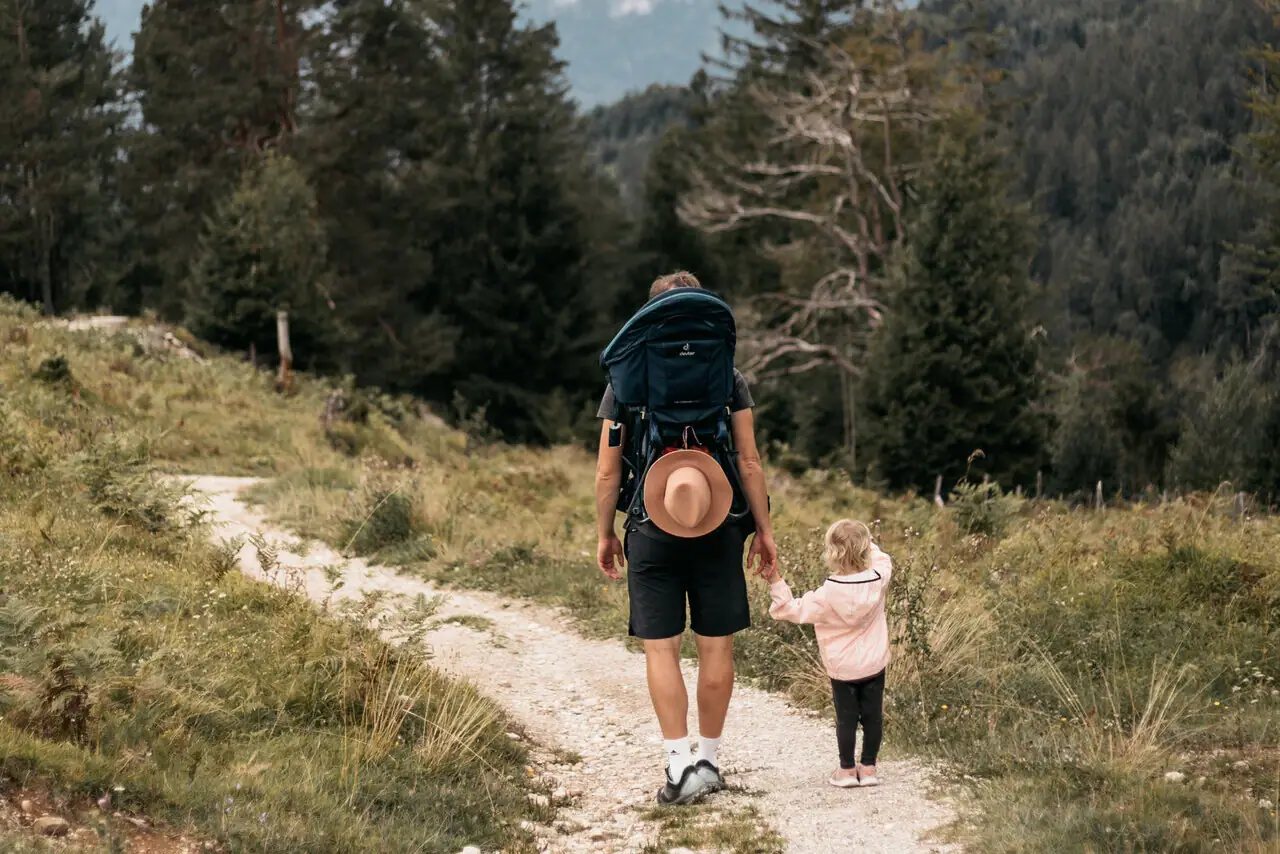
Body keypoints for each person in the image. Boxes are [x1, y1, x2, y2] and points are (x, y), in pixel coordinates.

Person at [595, 271, 778, 805]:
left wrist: (606, 533)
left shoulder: (626, 379)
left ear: (650, 319)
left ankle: (678, 766)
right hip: (719, 522)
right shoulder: (727, 374)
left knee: (662, 648)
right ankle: (710, 762)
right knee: (717, 646)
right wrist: (764, 530)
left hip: (652, 526)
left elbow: (607, 471)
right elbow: (749, 459)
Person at [762, 519, 891, 788]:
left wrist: (775, 580)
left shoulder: (826, 595)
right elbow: (882, 558)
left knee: (846, 719)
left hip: (842, 669)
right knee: (873, 717)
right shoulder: (879, 578)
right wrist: (864, 542)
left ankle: (846, 771)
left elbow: (790, 609)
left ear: (832, 554)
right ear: (866, 549)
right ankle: (868, 769)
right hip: (874, 664)